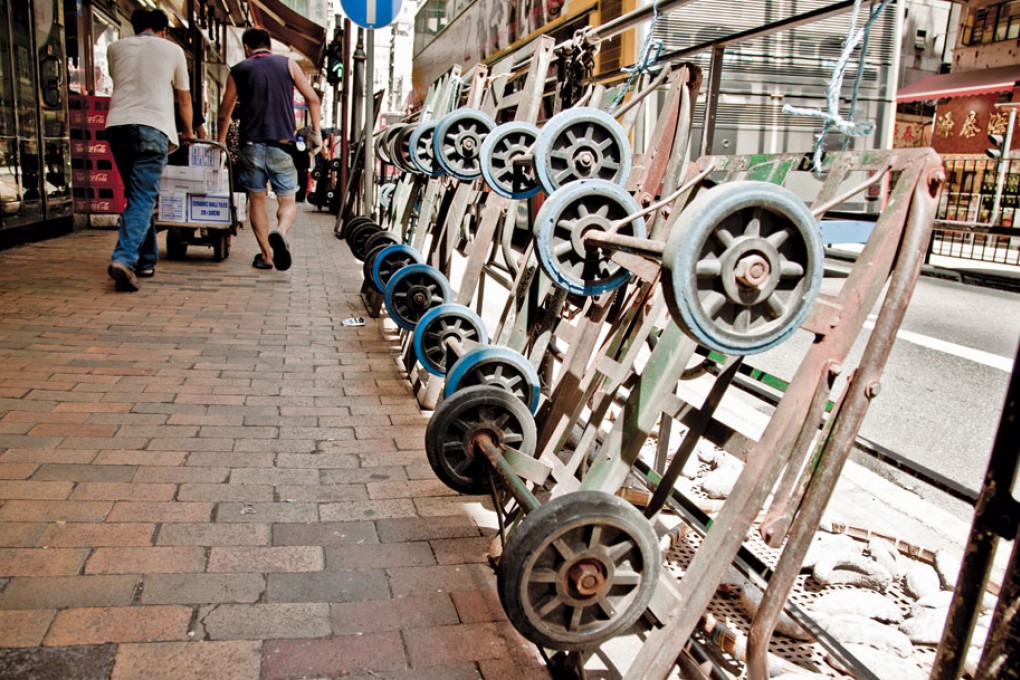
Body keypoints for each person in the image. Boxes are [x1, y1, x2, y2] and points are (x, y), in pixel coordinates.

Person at [216, 28, 322, 271]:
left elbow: (225, 112)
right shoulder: (288, 64)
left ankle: (266, 255)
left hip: (250, 146)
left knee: (257, 200)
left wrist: (221, 142)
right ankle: (281, 231)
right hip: (282, 146)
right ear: (270, 46)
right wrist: (316, 133)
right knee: (287, 201)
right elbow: (313, 99)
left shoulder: (239, 69)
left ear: (246, 48)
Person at [104, 8, 195, 291]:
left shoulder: (115, 48)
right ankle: (124, 258)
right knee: (144, 196)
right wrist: (189, 131)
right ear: (163, 30)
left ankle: (146, 260)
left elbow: (121, 82)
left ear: (135, 27)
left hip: (117, 126)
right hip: (153, 127)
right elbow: (183, 98)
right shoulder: (173, 51)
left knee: (137, 195)